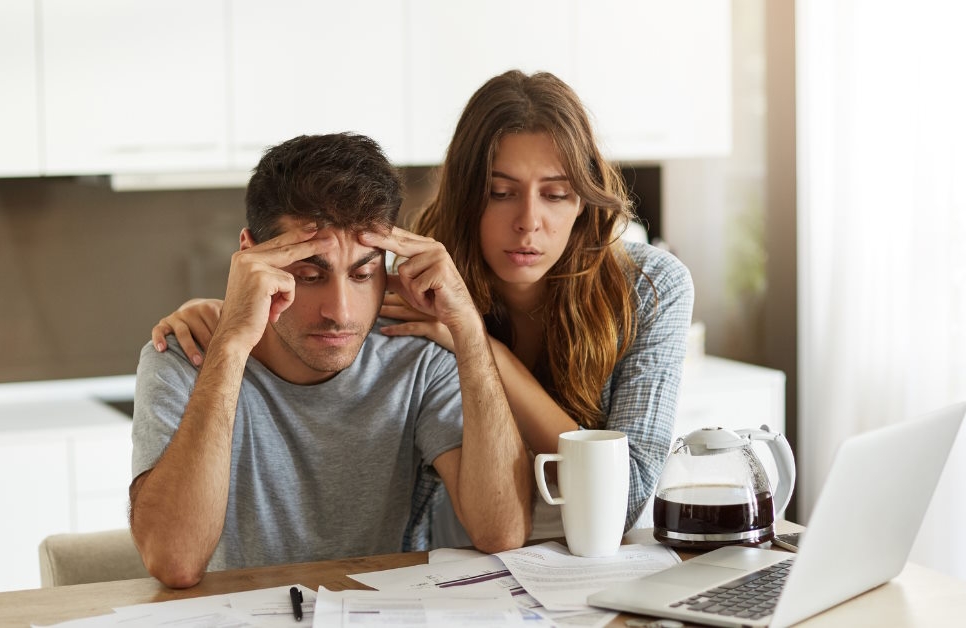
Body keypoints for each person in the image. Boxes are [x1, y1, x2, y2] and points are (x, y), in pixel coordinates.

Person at [150, 70, 695, 547]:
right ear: (465, 193)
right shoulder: (414, 279)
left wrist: (478, 345)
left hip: (596, 552)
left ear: (584, 197)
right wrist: (227, 317)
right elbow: (326, 298)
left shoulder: (648, 288)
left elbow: (624, 500)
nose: (529, 222)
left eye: (555, 193)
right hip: (462, 566)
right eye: (501, 192)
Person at [130, 132, 531, 588]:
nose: (340, 311)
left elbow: (502, 533)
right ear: (249, 256)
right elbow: (174, 561)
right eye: (309, 275)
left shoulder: (417, 358)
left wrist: (468, 331)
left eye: (363, 273)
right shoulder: (187, 357)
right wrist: (230, 348)